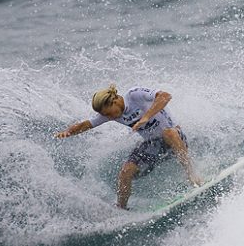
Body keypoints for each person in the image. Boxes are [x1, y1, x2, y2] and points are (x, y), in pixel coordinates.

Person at [55, 84, 202, 209]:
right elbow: (87, 124)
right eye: (106, 116)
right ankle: (121, 208)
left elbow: (165, 96)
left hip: (175, 136)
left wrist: (146, 117)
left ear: (114, 101)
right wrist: (68, 132)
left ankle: (192, 175)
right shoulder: (109, 113)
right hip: (153, 145)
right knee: (126, 171)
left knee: (169, 133)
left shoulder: (134, 95)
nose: (110, 118)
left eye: (109, 113)